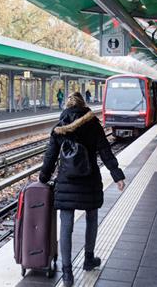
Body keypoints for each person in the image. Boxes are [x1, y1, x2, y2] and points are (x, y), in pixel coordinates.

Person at [39, 92, 125, 287]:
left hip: (66, 181)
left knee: (66, 224)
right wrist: (117, 175)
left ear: (67, 107)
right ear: (83, 105)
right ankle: (88, 259)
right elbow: (105, 151)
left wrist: (43, 178)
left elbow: (50, 157)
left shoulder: (59, 128)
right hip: (89, 180)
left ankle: (67, 273)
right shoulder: (93, 125)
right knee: (92, 217)